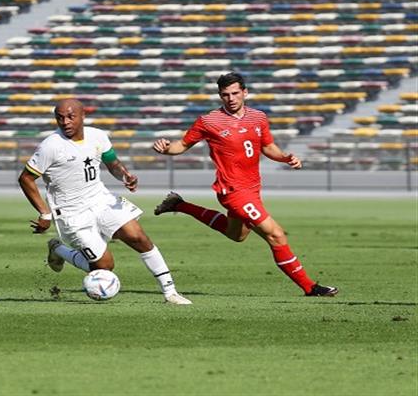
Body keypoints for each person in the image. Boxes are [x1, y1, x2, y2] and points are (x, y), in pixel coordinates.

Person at [152, 72, 338, 297]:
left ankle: (179, 205)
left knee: (237, 236)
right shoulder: (209, 121)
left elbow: (268, 147)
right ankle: (310, 287)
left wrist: (286, 157)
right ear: (220, 96)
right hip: (233, 190)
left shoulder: (258, 117)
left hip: (252, 188)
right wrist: (166, 147)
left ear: (245, 92)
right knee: (276, 234)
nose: (230, 98)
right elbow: (181, 145)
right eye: (225, 95)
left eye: (235, 93)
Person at [19, 98, 191, 304]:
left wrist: (125, 176)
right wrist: (45, 213)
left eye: (71, 117)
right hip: (72, 213)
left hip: (101, 200)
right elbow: (26, 178)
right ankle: (58, 249)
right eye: (60, 118)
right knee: (105, 267)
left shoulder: (98, 136)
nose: (65, 122)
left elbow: (112, 163)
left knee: (138, 237)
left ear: (83, 116)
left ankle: (170, 292)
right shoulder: (51, 146)